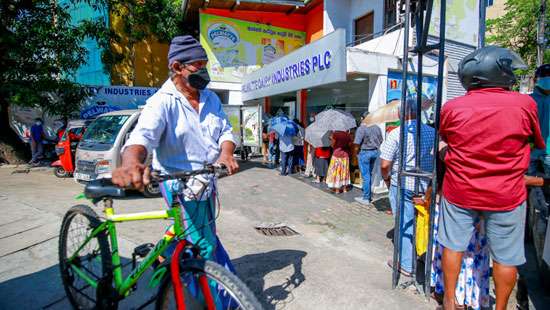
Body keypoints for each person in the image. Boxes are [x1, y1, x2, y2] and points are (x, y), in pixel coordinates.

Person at [111, 35, 239, 268]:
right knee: (203, 244)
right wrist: (130, 162)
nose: (204, 71)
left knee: (194, 229)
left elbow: (226, 132)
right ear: (177, 67)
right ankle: (212, 298)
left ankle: (161, 255)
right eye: (198, 66)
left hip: (208, 180)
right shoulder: (161, 102)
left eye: (205, 65)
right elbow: (142, 137)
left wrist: (226, 153)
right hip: (178, 183)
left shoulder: (211, 99)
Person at [438, 46, 544, 310]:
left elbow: (447, 142)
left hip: (459, 190)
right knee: (506, 258)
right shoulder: (525, 103)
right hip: (506, 193)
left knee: (453, 245)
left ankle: (450, 302)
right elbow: (535, 142)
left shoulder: (452, 107)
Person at [379, 95, 435, 277]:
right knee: (423, 223)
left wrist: (386, 180)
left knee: (405, 223)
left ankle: (406, 265)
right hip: (425, 185)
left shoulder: (396, 133)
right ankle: (422, 257)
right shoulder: (432, 132)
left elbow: (385, 165)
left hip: (402, 184)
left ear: (404, 113)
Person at [354, 112, 383, 205]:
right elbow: (381, 140)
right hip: (375, 152)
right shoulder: (377, 127)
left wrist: (356, 153)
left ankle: (366, 198)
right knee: (369, 174)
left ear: (363, 118)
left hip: (365, 152)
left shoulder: (361, 128)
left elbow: (357, 143)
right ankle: (367, 195)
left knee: (366, 176)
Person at [529, 63, 550, 176]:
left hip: (548, 153)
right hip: (531, 152)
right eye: (545, 76)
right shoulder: (528, 100)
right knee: (528, 187)